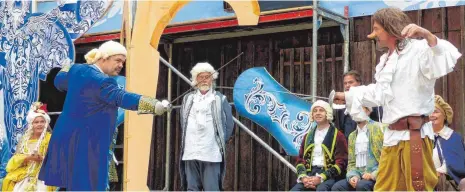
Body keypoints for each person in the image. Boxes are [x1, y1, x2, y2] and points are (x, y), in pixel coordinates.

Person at [333, 7, 461, 191]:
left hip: (414, 135)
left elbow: (442, 58)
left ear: (390, 28)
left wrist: (427, 34)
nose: (373, 34)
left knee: (417, 188)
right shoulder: (386, 60)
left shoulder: (419, 49)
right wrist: (347, 96)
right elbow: (379, 93)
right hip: (392, 137)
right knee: (383, 188)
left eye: (377, 28)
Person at [38, 40, 171, 190]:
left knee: (71, 186)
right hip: (86, 143)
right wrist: (153, 105)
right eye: (118, 60)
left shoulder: (77, 70)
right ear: (103, 58)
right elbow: (122, 97)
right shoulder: (102, 81)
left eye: (123, 61)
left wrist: (67, 67)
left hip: (65, 140)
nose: (121, 65)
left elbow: (59, 82)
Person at [179, 62, 234, 191]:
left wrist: (219, 141)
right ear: (195, 80)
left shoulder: (220, 99)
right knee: (192, 188)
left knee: (211, 188)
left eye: (207, 77)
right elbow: (183, 122)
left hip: (211, 152)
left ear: (212, 79)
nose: (204, 80)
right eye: (201, 77)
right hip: (190, 152)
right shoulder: (188, 99)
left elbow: (229, 125)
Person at [291, 100, 347, 191]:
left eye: (321, 110)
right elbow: (300, 159)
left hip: (330, 176)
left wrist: (321, 177)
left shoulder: (338, 136)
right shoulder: (307, 136)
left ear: (327, 113)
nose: (318, 113)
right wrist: (304, 178)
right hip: (309, 175)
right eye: (315, 110)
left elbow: (341, 162)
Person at [2, 102, 56, 191]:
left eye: (42, 122)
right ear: (32, 124)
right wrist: (28, 158)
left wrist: (42, 159)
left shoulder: (51, 139)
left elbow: (58, 160)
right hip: (25, 173)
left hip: (43, 174)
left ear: (46, 124)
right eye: (36, 122)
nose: (39, 124)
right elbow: (16, 158)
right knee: (12, 185)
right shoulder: (24, 140)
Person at [332, 107, 384, 191]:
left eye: (359, 109)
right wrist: (353, 176)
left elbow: (389, 158)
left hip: (379, 174)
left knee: (361, 185)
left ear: (367, 110)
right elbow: (351, 162)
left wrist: (373, 174)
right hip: (359, 175)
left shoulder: (380, 128)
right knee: (337, 187)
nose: (355, 112)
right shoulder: (352, 136)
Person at [427, 95, 465, 191]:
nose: (432, 115)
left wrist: (437, 173)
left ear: (445, 116)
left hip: (446, 185)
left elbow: (457, 165)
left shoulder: (453, 137)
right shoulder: (424, 138)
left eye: (435, 112)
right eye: (429, 112)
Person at [334, 70, 382, 138]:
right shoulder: (342, 109)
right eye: (345, 83)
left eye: (350, 82)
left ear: (359, 83)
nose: (347, 85)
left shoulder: (372, 103)